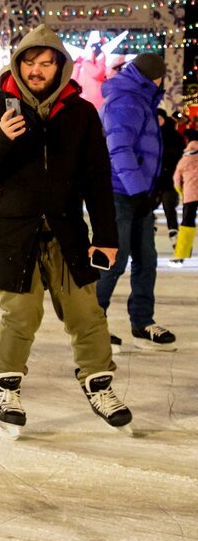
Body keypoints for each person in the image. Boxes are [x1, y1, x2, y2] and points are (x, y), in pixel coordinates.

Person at [0, 23, 131, 439]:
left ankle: (99, 383)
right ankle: (6, 389)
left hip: (64, 227)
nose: (37, 70)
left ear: (60, 67)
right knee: (21, 314)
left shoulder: (79, 112)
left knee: (87, 312)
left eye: (46, 63)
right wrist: (0, 136)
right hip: (10, 231)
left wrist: (106, 235)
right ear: (18, 64)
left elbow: (96, 176)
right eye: (30, 62)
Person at [95, 53, 176, 351]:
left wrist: (149, 189)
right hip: (120, 194)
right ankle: (93, 325)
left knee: (147, 261)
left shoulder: (141, 99)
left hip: (138, 194)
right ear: (156, 77)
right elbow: (120, 150)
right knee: (113, 262)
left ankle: (142, 321)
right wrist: (138, 191)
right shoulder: (126, 100)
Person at [157, 108, 186, 247]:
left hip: (170, 178)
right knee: (146, 207)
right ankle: (148, 229)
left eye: (159, 118)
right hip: (153, 180)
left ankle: (174, 233)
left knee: (169, 206)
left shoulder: (175, 137)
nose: (157, 122)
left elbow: (181, 157)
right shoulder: (149, 136)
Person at [170, 139, 198, 265]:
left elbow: (176, 181)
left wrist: (182, 193)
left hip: (190, 196)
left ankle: (182, 253)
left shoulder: (183, 161)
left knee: (187, 223)